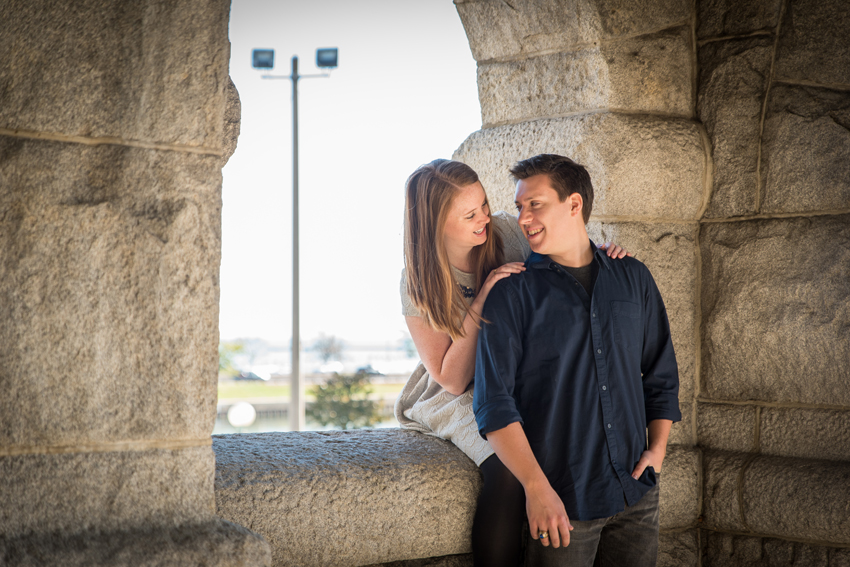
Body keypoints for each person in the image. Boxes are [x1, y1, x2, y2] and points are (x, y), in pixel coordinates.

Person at [394, 158, 630, 567]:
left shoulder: (503, 232)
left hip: (513, 369)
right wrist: (483, 297)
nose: (484, 217)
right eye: (470, 214)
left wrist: (604, 253)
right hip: (455, 389)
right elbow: (450, 378)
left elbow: (564, 241)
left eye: (484, 204)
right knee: (507, 468)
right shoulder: (418, 280)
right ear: (435, 225)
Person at [472, 154, 681, 566]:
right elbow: (493, 405)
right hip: (561, 506)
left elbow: (661, 372)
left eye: (536, 204)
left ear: (573, 204)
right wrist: (536, 489)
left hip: (636, 494)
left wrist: (656, 450)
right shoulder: (512, 294)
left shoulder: (632, 276)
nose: (524, 218)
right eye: (519, 207)